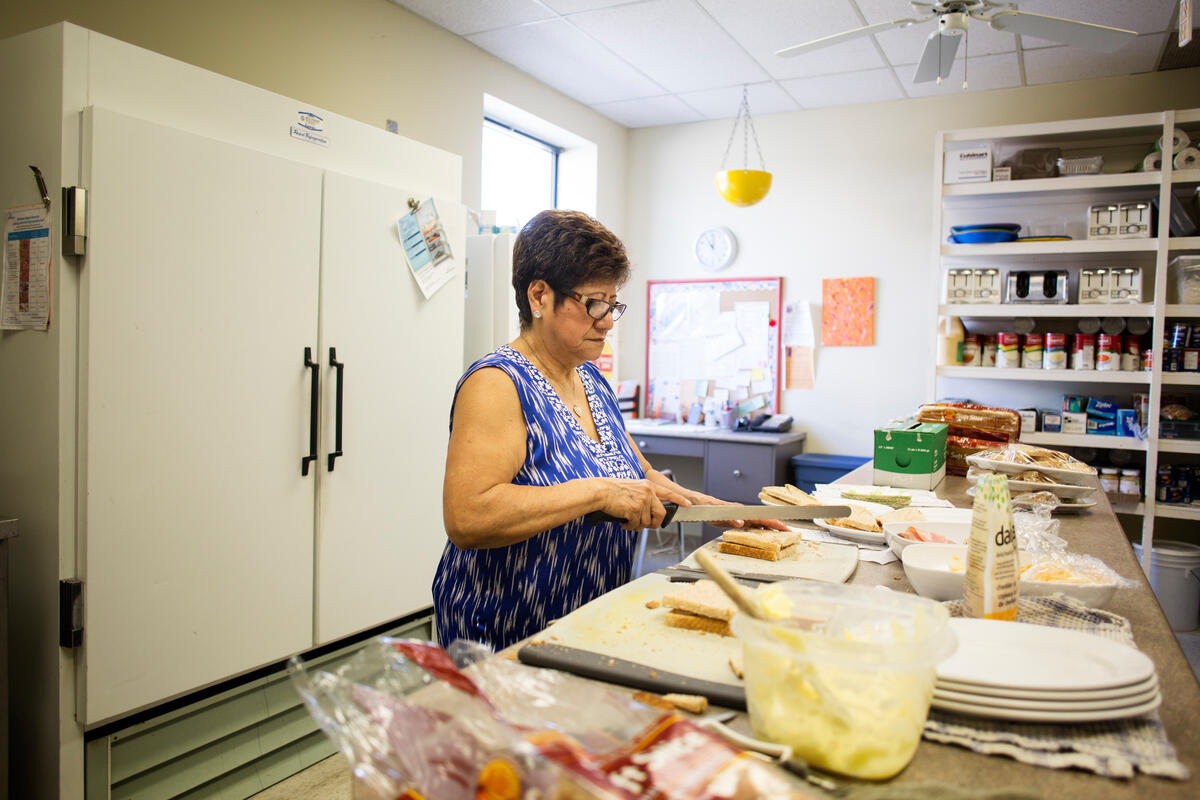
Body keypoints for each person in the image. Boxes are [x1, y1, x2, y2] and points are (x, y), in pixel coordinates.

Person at [432, 209, 782, 651]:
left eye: (613, 304)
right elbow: (468, 516)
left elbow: (639, 475)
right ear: (539, 295)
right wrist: (598, 493)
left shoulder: (590, 378)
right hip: (505, 629)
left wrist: (712, 507)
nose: (608, 320)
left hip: (588, 619)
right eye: (594, 303)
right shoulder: (498, 383)